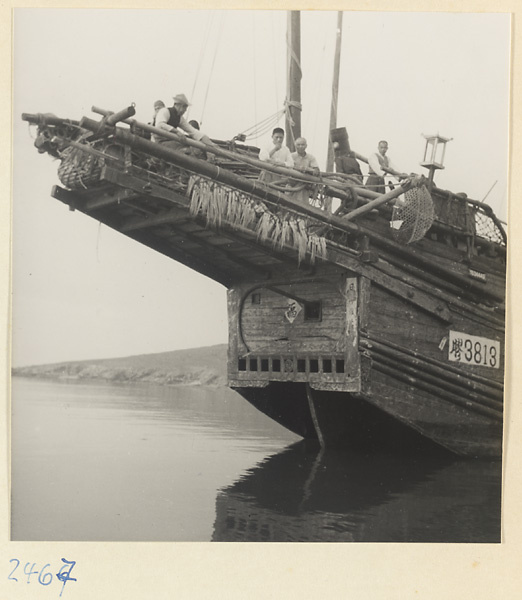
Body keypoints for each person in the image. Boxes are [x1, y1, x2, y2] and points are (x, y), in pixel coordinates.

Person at [290, 137, 320, 204]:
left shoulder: (310, 157)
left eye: (302, 145)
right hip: (291, 185)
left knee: (303, 206)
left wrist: (307, 169)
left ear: (306, 146)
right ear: (295, 145)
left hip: (304, 187)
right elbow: (287, 167)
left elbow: (316, 170)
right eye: (298, 144)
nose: (300, 146)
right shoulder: (291, 156)